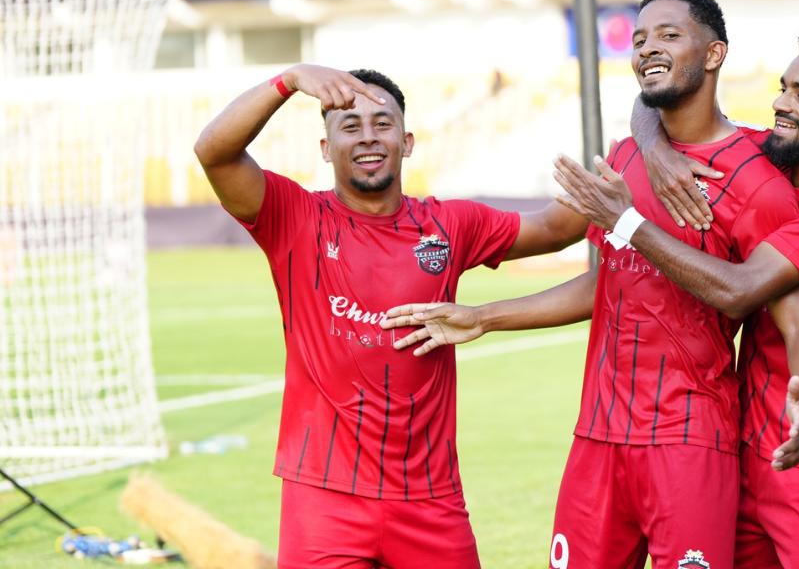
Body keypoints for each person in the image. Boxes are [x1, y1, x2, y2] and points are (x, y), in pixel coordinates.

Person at [382, 0, 799, 569]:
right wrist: (483, 317)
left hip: (688, 439)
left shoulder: (758, 180)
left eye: (669, 35)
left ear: (715, 54)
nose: (647, 48)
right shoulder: (625, 155)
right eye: (639, 39)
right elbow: (609, 283)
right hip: (597, 436)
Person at [193, 64, 587, 569]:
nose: (367, 137)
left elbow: (555, 228)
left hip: (430, 498)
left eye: (382, 123)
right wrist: (288, 82)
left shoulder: (450, 224)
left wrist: (639, 161)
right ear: (324, 147)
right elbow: (214, 152)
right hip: (324, 498)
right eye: (349, 126)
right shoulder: (293, 217)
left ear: (407, 141)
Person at [552, 28, 799, 569]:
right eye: (784, 87)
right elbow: (652, 104)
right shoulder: (771, 154)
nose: (782, 103)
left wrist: (626, 220)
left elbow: (740, 293)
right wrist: (656, 151)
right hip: (744, 442)